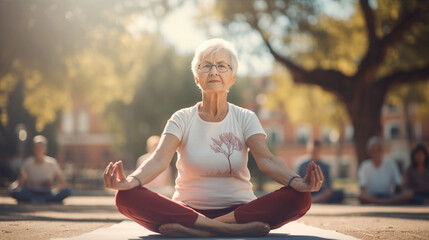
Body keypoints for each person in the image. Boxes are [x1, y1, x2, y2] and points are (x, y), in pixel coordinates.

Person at [103, 38, 324, 238]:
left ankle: (203, 228)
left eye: (221, 66)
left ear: (233, 77)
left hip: (239, 212)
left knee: (301, 198)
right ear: (196, 77)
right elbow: (159, 159)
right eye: (206, 65)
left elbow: (266, 160)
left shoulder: (245, 117)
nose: (214, 71)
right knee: (125, 197)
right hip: (187, 210)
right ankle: (224, 230)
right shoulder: (182, 118)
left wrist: (298, 182)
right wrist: (130, 181)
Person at [9, 135, 72, 204]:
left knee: (67, 191)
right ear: (33, 149)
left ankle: (35, 200)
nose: (38, 150)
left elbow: (63, 183)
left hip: (48, 192)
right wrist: (12, 187)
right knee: (14, 192)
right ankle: (44, 200)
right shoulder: (27, 162)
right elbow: (20, 182)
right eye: (37, 147)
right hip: (31, 192)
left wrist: (52, 184)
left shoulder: (52, 162)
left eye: (41, 148)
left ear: (45, 149)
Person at [358, 136, 412, 204]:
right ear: (369, 152)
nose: (376, 153)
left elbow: (399, 184)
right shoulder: (365, 166)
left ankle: (382, 202)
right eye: (373, 150)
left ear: (382, 150)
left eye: (378, 150)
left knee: (408, 194)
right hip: (372, 196)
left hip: (388, 195)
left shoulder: (391, 164)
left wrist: (404, 192)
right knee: (361, 195)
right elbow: (362, 188)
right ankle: (383, 202)